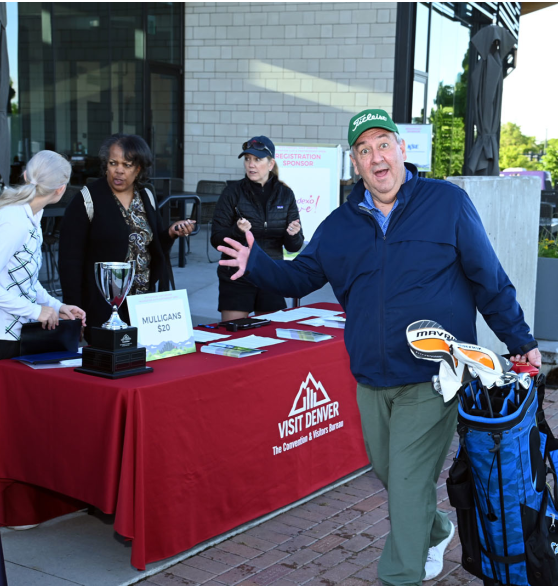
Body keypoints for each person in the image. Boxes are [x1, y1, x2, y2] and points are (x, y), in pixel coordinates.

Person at [218, 109, 541, 586]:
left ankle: (399, 575)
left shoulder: (447, 204)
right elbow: (301, 275)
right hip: (371, 377)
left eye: (383, 145)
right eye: (364, 150)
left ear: (402, 150)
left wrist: (520, 340)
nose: (377, 157)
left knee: (408, 483)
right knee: (393, 475)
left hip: (435, 375)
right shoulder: (341, 224)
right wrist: (259, 264)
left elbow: (487, 276)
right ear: (355, 164)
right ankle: (435, 530)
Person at [0, 150, 86, 400]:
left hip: (15, 335)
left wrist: (56, 305)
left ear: (27, 175)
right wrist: (35, 311)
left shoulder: (30, 216)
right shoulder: (15, 221)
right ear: (61, 189)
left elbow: (23, 279)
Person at [59, 134, 195, 339]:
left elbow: (152, 244)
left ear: (138, 168)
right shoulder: (86, 199)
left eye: (127, 164)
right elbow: (69, 260)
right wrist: (74, 310)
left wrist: (170, 233)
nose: (119, 170)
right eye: (113, 163)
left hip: (143, 305)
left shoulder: (146, 195)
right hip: (101, 307)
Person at [210, 136, 304, 321]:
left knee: (273, 340)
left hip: (270, 274)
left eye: (257, 159)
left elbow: (294, 246)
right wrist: (237, 231)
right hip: (237, 275)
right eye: (247, 159)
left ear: (271, 164)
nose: (251, 165)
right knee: (234, 337)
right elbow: (216, 238)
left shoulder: (285, 194)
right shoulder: (232, 193)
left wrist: (293, 235)